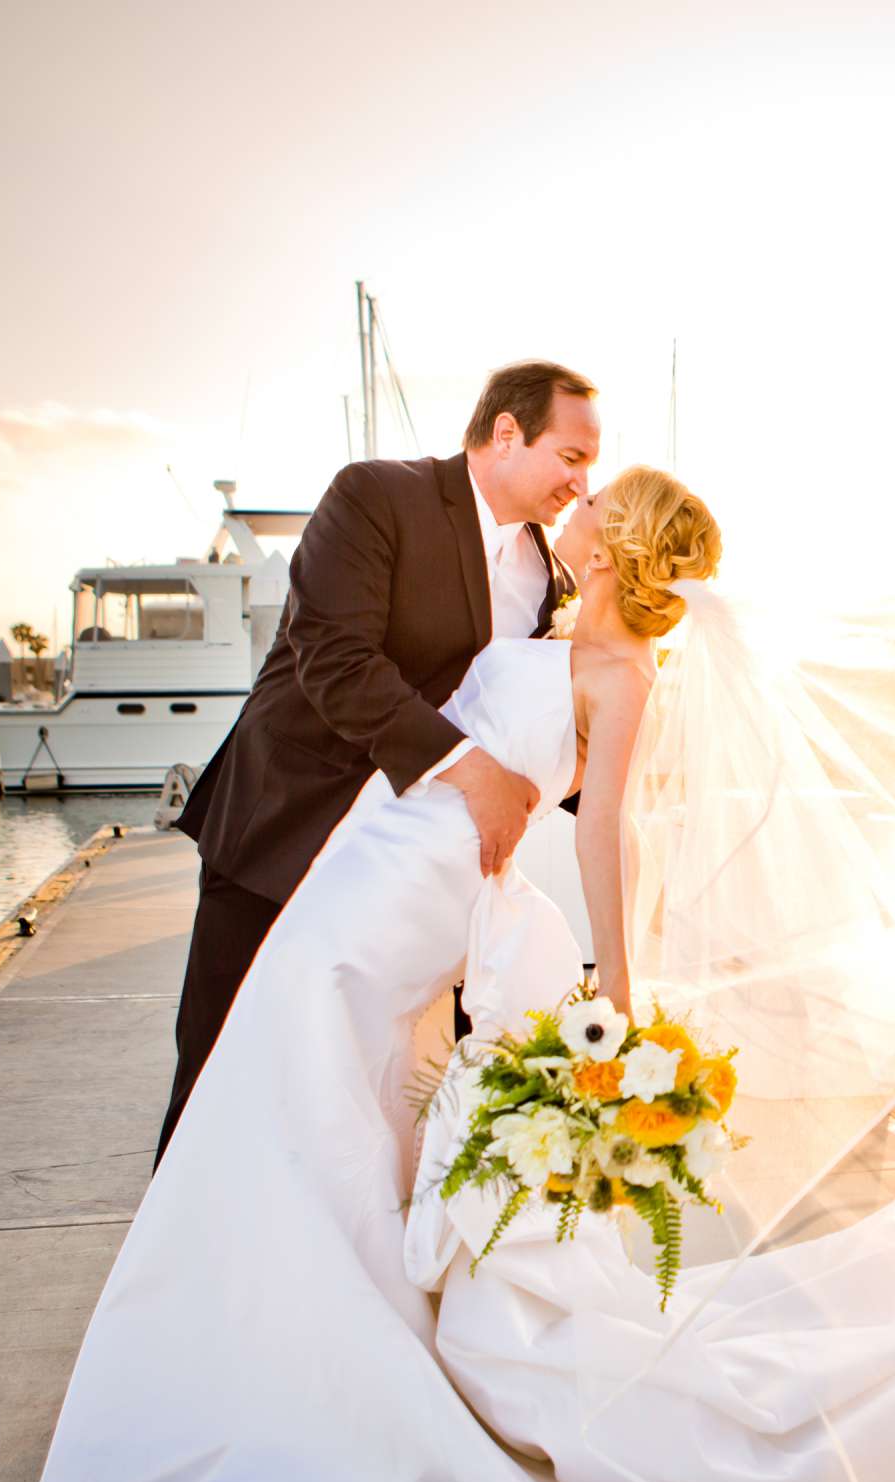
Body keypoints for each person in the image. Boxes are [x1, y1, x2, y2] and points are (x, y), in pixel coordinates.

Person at [34, 467, 895, 1482]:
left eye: (595, 501)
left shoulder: (627, 674)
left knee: (293, 1055)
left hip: (419, 880)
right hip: (384, 848)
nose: (572, 504)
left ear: (613, 540)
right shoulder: (551, 621)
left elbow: (608, 831)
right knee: (310, 1079)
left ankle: (298, 1362)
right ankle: (267, 1340)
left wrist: (624, 991)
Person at [155, 361, 598, 1162]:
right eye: (571, 456)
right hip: (286, 826)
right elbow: (333, 660)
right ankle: (176, 1266)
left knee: (378, 1089)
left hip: (411, 867)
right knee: (219, 1066)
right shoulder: (375, 497)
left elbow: (517, 715)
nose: (582, 480)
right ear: (506, 433)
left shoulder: (550, 574)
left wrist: (624, 796)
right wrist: (472, 770)